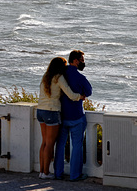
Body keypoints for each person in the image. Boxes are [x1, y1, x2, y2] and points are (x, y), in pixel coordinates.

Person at [36, 57, 84, 180]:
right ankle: (46, 173)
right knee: (50, 144)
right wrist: (80, 97)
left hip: (40, 110)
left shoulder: (46, 76)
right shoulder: (59, 78)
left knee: (44, 142)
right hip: (52, 112)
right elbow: (70, 94)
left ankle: (41, 171)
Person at [54, 50, 93, 182]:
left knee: (60, 145)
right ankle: (75, 174)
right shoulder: (80, 78)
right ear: (75, 61)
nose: (83, 62)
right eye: (82, 60)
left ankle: (57, 173)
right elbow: (89, 91)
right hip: (76, 115)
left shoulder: (61, 75)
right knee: (77, 145)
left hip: (62, 114)